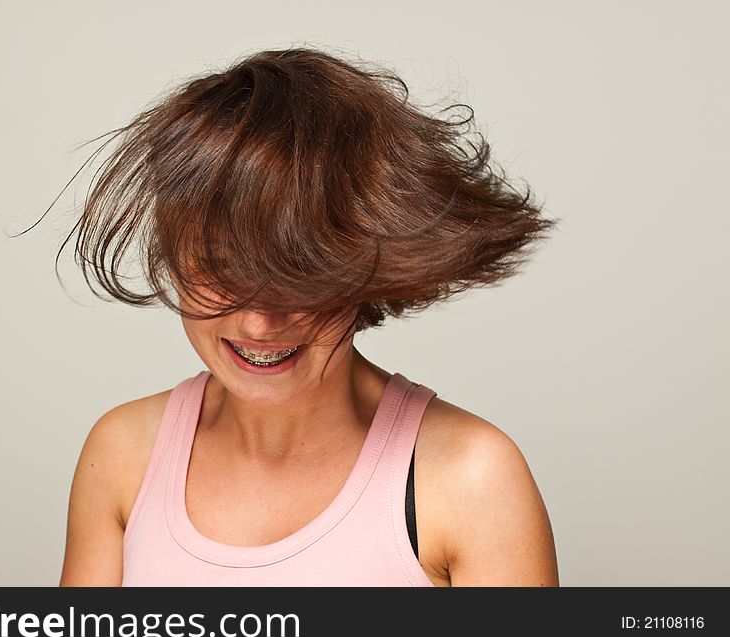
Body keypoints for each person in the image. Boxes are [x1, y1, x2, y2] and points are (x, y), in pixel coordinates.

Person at [50, 45, 560, 586]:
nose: (258, 323)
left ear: (368, 267)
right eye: (221, 271)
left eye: (296, 277)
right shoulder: (125, 454)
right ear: (175, 260)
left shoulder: (469, 476)